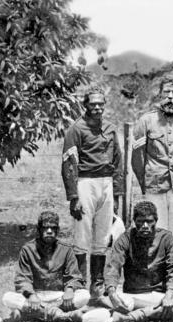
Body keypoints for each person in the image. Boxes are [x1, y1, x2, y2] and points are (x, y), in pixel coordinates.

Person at [61, 86, 124, 300]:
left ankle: (97, 284)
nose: (96, 107)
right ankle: (80, 283)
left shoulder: (110, 128)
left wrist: (116, 193)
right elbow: (69, 164)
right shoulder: (76, 129)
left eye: (100, 104)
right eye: (92, 104)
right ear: (85, 105)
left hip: (106, 183)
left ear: (104, 106)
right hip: (85, 182)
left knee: (103, 235)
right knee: (82, 233)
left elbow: (117, 160)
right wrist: (73, 197)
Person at [131, 73, 173, 265]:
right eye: (166, 92)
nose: (170, 97)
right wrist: (145, 184)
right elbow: (137, 159)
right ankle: (156, 280)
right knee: (155, 235)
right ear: (159, 95)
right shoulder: (145, 122)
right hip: (154, 187)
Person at [103, 201, 173, 322]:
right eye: (140, 221)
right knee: (112, 298)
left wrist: (169, 295)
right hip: (134, 295)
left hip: (162, 294)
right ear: (134, 221)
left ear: (156, 220)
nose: (145, 225)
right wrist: (112, 293)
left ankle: (134, 316)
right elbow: (113, 267)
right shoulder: (125, 239)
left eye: (149, 221)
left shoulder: (166, 238)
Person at [2, 211, 89, 322]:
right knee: (7, 297)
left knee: (85, 295)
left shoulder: (66, 250)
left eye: (53, 228)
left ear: (57, 230)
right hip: (36, 296)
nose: (49, 231)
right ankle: (62, 315)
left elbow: (74, 276)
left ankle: (30, 313)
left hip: (60, 297)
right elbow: (22, 279)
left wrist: (69, 290)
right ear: (39, 230)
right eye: (45, 228)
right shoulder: (27, 250)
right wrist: (32, 295)